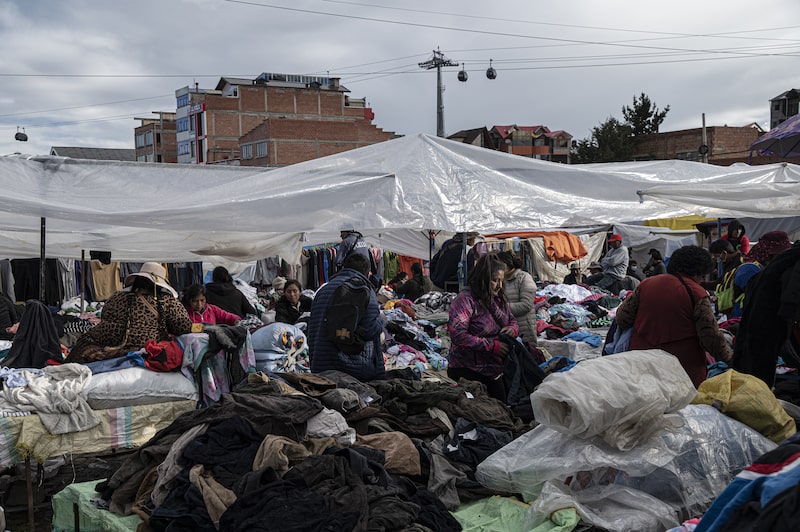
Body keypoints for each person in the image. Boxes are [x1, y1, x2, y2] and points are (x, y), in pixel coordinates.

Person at [615, 245, 732, 388]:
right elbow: (711, 337)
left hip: (642, 361)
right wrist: (730, 360)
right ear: (698, 272)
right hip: (682, 369)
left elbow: (622, 318)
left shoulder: (646, 284)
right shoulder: (697, 293)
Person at [66, 262, 193, 363]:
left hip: (106, 342)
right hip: (145, 345)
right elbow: (184, 326)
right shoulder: (168, 301)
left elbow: (104, 316)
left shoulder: (116, 296)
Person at [447, 253, 519, 401]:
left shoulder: (498, 300)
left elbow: (512, 320)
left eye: (501, 281)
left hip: (494, 369)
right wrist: (492, 346)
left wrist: (512, 329)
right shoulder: (465, 301)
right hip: (467, 369)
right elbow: (458, 335)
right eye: (494, 281)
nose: (499, 286)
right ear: (483, 279)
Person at [732, 242, 800, 388]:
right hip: (770, 331)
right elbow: (790, 304)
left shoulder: (778, 265)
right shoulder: (790, 266)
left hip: (758, 331)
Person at [308, 253, 385, 381]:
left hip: (321, 365)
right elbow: (370, 330)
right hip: (351, 369)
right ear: (367, 272)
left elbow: (314, 328)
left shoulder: (323, 290)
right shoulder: (364, 289)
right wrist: (382, 321)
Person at [729, 230, 793, 318]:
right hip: (744, 320)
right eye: (781, 255)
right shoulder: (749, 269)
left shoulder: (770, 269)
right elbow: (761, 297)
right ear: (769, 254)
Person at [497, 250, 538, 345]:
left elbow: (526, 305)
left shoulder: (524, 278)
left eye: (500, 264)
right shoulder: (499, 280)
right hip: (506, 329)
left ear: (508, 263)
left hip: (523, 328)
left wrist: (500, 308)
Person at [704, 239, 744, 316]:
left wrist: (699, 283)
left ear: (724, 253)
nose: (717, 260)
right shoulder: (731, 262)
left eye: (717, 256)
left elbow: (719, 283)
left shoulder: (738, 264)